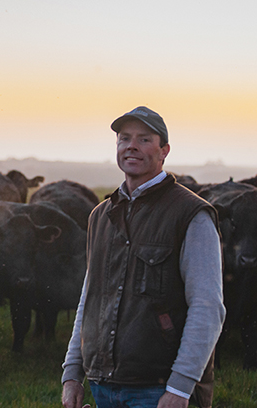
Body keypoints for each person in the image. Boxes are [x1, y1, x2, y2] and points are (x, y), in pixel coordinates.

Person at [61, 106, 225, 408]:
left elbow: (208, 307)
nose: (131, 146)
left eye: (144, 139)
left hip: (159, 389)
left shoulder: (190, 214)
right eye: (124, 139)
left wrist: (181, 386)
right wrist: (72, 372)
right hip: (103, 384)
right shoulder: (100, 215)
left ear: (164, 151)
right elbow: (89, 299)